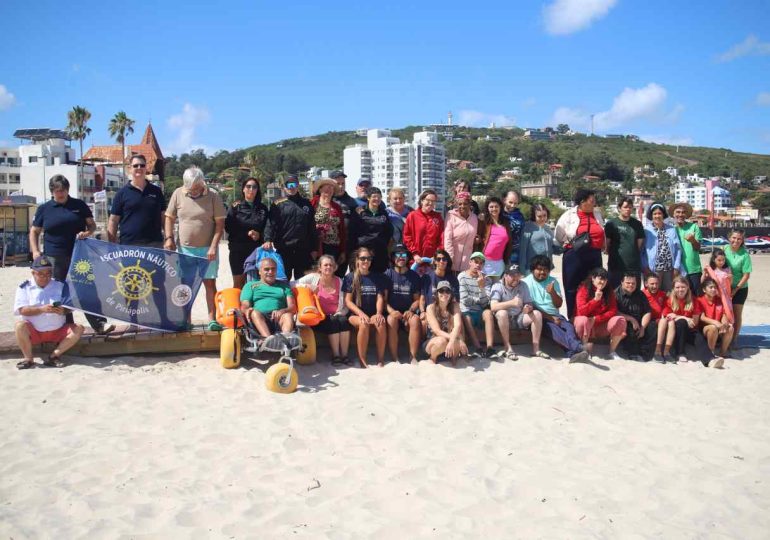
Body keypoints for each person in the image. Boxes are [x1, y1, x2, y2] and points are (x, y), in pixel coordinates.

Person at [29, 175, 112, 334]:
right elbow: (34, 231)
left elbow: (92, 226)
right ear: (52, 191)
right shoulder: (44, 209)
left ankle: (100, 324)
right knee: (59, 293)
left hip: (79, 255)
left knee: (87, 288)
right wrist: (35, 251)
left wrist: (86, 233)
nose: (61, 193)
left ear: (68, 190)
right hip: (54, 256)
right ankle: (66, 326)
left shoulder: (79, 205)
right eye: (57, 191)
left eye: (64, 190)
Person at [165, 166, 226, 330]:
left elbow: (220, 224)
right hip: (185, 250)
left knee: (210, 284)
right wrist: (169, 238)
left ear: (202, 184)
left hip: (208, 250)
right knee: (186, 285)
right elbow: (169, 217)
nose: (192, 192)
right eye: (189, 189)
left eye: (195, 189)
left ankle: (212, 318)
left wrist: (213, 247)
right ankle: (186, 319)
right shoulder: (178, 193)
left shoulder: (213, 196)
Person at [14, 255, 84, 369]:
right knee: (19, 326)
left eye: (48, 273)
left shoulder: (59, 285)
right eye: (41, 274)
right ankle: (28, 359)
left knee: (79, 328)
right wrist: (41, 309)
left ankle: (54, 356)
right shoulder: (24, 287)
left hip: (57, 330)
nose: (45, 277)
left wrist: (64, 311)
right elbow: (22, 310)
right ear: (33, 273)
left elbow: (72, 306)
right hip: (35, 331)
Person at [523, 255, 590, 364]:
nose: (542, 272)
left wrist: (552, 292)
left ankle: (572, 353)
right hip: (538, 318)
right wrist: (551, 318)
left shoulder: (553, 281)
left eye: (545, 270)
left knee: (568, 327)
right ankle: (578, 347)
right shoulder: (526, 283)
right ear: (532, 270)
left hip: (555, 315)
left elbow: (558, 304)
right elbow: (531, 307)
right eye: (539, 269)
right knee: (553, 328)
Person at [555, 189, 605, 320]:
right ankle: (572, 317)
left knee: (595, 285)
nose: (594, 201)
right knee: (572, 286)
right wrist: (568, 244)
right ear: (582, 201)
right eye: (591, 199)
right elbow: (558, 234)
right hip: (574, 254)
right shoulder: (569, 215)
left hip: (594, 254)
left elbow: (602, 232)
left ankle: (591, 317)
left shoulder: (597, 214)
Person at [297, 255, 351, 365]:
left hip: (336, 315)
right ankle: (336, 355)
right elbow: (292, 283)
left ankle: (344, 355)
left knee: (343, 320)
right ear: (320, 267)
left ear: (335, 267)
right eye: (325, 265)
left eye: (331, 265)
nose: (328, 267)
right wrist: (308, 286)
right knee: (334, 321)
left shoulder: (339, 281)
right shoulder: (313, 278)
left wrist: (340, 313)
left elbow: (345, 305)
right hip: (318, 318)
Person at [262, 175, 318, 281]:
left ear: (298, 186)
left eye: (294, 184)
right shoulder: (277, 204)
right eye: (289, 184)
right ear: (284, 187)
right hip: (284, 249)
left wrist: (314, 248)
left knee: (303, 283)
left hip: (303, 250)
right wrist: (268, 239)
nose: (291, 187)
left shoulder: (307, 204)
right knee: (282, 282)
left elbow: (312, 227)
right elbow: (271, 224)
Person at [108, 154, 166, 247]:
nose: (139, 168)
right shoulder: (121, 193)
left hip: (154, 246)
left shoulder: (157, 191)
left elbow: (163, 217)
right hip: (129, 247)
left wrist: (168, 238)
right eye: (135, 165)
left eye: (142, 165)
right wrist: (111, 245)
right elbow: (113, 221)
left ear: (146, 167)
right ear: (130, 168)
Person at [490, 264, 546, 360]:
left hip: (519, 316)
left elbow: (529, 303)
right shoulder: (497, 286)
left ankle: (536, 349)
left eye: (518, 275)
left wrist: (528, 308)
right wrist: (511, 303)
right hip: (503, 319)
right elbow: (493, 306)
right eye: (512, 275)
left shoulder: (523, 285)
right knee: (502, 313)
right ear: (505, 275)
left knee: (537, 314)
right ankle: (508, 348)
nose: (516, 278)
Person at [343, 247, 388, 367]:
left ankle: (381, 358)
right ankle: (362, 359)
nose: (366, 261)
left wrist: (379, 312)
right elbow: (348, 301)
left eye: (368, 258)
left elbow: (380, 297)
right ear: (357, 260)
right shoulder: (350, 277)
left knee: (380, 322)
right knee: (364, 323)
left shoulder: (377, 277)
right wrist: (360, 313)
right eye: (363, 258)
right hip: (355, 315)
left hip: (372, 313)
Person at [574, 268, 627, 360]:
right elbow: (581, 311)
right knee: (583, 320)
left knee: (620, 320)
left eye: (605, 279)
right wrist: (595, 300)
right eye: (600, 279)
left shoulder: (608, 291)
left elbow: (613, 310)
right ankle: (583, 350)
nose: (602, 282)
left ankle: (612, 351)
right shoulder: (584, 289)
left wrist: (596, 318)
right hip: (586, 326)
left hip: (600, 325)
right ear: (593, 278)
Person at [225, 177, 268, 289]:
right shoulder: (235, 207)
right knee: (238, 285)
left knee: (257, 285)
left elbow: (268, 229)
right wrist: (246, 233)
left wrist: (260, 235)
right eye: (248, 186)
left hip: (256, 251)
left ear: (257, 190)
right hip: (238, 251)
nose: (251, 189)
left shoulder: (263, 208)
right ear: (243, 189)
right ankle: (238, 307)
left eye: (254, 187)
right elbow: (228, 228)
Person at [384, 245, 422, 364]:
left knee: (415, 320)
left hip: (407, 312)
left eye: (404, 255)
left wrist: (411, 310)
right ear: (393, 257)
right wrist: (391, 311)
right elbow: (383, 300)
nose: (401, 258)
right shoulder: (387, 274)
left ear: (408, 257)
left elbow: (417, 299)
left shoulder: (414, 276)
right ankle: (395, 358)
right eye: (397, 255)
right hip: (392, 312)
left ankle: (413, 356)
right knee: (391, 320)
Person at [240, 258, 297, 338]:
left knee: (288, 315)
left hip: (279, 319)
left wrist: (283, 311)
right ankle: (268, 339)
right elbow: (245, 305)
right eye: (267, 269)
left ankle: (285, 340)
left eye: (273, 269)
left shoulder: (284, 286)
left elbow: (293, 307)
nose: (270, 272)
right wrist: (247, 310)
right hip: (259, 319)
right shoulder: (250, 286)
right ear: (259, 271)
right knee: (254, 313)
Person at [458, 252, 497, 357]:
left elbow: (485, 303)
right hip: (467, 311)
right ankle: (478, 348)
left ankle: (490, 348)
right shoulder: (462, 276)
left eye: (481, 263)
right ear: (470, 262)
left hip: (479, 311)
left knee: (488, 313)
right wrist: (479, 298)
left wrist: (481, 287)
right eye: (475, 262)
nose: (478, 265)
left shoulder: (487, 279)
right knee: (467, 317)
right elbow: (465, 300)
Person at [660, 276, 705, 364]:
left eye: (683, 287)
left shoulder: (694, 300)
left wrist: (678, 316)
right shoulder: (669, 300)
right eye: (677, 287)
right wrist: (684, 318)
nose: (680, 289)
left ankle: (710, 359)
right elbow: (667, 316)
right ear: (673, 288)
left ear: (687, 287)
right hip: (674, 331)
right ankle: (680, 353)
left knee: (698, 336)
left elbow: (695, 322)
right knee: (681, 322)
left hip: (689, 329)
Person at [348, 186, 393, 273]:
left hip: (380, 252)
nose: (377, 199)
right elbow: (352, 233)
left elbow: (388, 232)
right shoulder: (359, 211)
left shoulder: (384, 213)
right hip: (362, 251)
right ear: (368, 198)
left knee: (379, 278)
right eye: (374, 197)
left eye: (379, 197)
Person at [642, 203, 684, 292]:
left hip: (669, 269)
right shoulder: (646, 230)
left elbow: (678, 249)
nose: (657, 216)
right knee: (653, 294)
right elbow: (641, 251)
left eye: (659, 213)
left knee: (669, 294)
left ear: (663, 215)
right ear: (651, 215)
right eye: (655, 214)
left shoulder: (671, 229)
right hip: (652, 270)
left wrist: (676, 267)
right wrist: (645, 267)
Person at [424, 280, 468, 364]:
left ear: (451, 294)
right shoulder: (430, 308)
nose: (444, 294)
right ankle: (432, 358)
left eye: (447, 291)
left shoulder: (455, 306)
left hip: (449, 341)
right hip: (433, 341)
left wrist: (454, 340)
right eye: (441, 291)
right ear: (437, 293)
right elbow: (437, 331)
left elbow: (457, 326)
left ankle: (453, 359)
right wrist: (455, 339)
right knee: (442, 341)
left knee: (456, 338)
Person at [604, 197, 645, 289]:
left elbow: (639, 244)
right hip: (615, 265)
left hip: (633, 266)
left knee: (634, 293)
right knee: (615, 294)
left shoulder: (637, 224)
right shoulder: (611, 224)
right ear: (619, 208)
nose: (628, 209)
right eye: (625, 207)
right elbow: (607, 244)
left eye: (630, 207)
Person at [615, 273, 656, 362]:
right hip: (625, 321)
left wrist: (643, 327)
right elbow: (614, 312)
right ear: (622, 282)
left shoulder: (640, 294)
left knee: (652, 326)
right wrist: (630, 319)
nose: (631, 285)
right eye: (628, 283)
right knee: (630, 327)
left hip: (640, 321)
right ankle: (632, 353)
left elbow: (647, 312)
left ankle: (646, 354)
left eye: (633, 283)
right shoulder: (616, 294)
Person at [403, 189, 445, 273]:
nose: (430, 203)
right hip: (415, 260)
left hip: (432, 261)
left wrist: (437, 255)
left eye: (433, 201)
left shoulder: (438, 217)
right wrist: (414, 254)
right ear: (422, 200)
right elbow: (407, 236)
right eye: (428, 200)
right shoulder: (412, 216)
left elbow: (441, 238)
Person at [310, 177, 347, 269]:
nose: (329, 190)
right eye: (326, 187)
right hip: (316, 247)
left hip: (333, 247)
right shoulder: (312, 204)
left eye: (331, 188)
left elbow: (341, 230)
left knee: (330, 273)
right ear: (320, 189)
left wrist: (342, 250)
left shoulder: (337, 207)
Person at [477, 197, 512, 288]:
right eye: (491, 207)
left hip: (499, 263)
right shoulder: (484, 222)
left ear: (500, 207)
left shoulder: (506, 223)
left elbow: (509, 242)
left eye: (496, 206)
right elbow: (478, 237)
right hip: (485, 263)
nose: (494, 209)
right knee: (485, 290)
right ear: (487, 208)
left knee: (497, 290)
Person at [724, 229, 751, 346]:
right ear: (729, 238)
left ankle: (734, 339)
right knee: (725, 313)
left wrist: (735, 290)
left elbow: (746, 275)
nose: (736, 240)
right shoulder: (724, 249)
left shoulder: (744, 254)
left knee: (736, 314)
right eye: (734, 238)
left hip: (740, 288)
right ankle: (724, 337)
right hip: (725, 287)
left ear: (742, 240)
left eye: (739, 238)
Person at [697, 278, 733, 364]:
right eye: (711, 287)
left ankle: (723, 352)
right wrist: (716, 322)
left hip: (719, 327)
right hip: (705, 328)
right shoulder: (699, 300)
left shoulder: (719, 300)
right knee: (712, 328)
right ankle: (711, 353)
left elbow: (724, 314)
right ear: (704, 290)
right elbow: (702, 317)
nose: (714, 289)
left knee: (730, 328)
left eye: (715, 287)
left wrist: (724, 322)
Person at [419, 249, 460, 324]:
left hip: (447, 313)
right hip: (431, 311)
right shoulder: (427, 277)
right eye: (438, 259)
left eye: (444, 259)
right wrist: (422, 312)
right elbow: (422, 299)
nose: (441, 261)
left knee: (459, 322)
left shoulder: (453, 279)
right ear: (435, 261)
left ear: (447, 261)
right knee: (423, 323)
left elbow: (455, 301)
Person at [518, 203, 561, 275]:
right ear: (533, 215)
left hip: (546, 268)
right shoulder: (527, 228)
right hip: (532, 269)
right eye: (539, 216)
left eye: (545, 215)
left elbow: (550, 248)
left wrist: (563, 248)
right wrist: (522, 271)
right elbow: (523, 251)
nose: (543, 218)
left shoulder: (547, 228)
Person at [670, 202, 703, 295]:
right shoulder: (671, 230)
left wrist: (693, 240)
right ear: (673, 214)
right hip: (677, 271)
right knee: (681, 299)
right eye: (678, 212)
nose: (680, 214)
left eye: (683, 212)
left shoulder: (694, 227)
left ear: (687, 215)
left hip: (693, 270)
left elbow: (698, 248)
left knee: (696, 298)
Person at [443, 191, 478, 274]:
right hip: (452, 263)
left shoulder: (474, 218)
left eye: (465, 204)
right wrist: (449, 259)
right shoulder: (450, 216)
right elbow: (447, 239)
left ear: (470, 204)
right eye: (460, 204)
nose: (462, 206)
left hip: (467, 263)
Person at [331, 170, 358, 277]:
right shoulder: (325, 200)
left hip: (348, 246)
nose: (341, 186)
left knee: (345, 276)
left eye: (343, 184)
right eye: (338, 184)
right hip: (330, 246)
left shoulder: (352, 202)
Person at [703, 248, 735, 325]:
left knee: (727, 314)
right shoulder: (711, 270)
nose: (721, 262)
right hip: (715, 296)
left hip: (725, 296)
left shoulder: (727, 269)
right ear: (714, 260)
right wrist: (704, 273)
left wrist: (731, 278)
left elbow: (730, 284)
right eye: (719, 260)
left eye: (723, 260)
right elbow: (703, 282)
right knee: (717, 314)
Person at [502, 191, 526, 264]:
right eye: (510, 202)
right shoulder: (498, 214)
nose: (513, 205)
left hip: (515, 255)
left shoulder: (520, 216)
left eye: (515, 203)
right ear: (504, 200)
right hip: (500, 252)